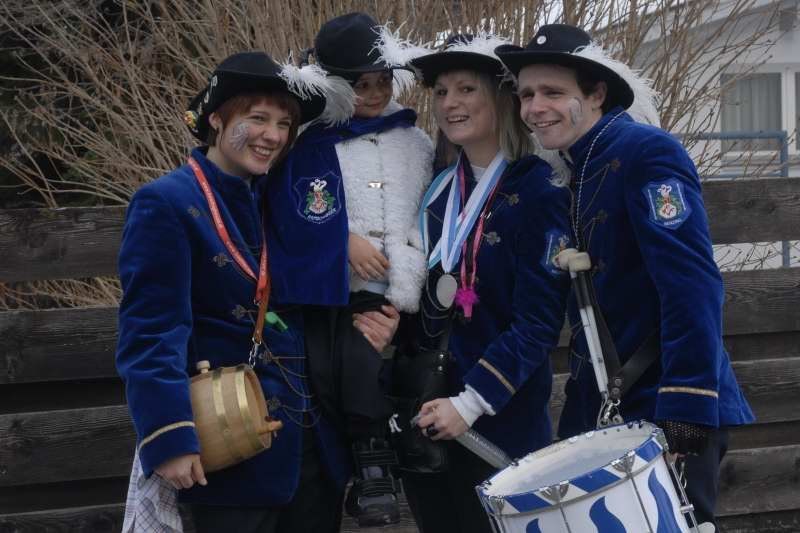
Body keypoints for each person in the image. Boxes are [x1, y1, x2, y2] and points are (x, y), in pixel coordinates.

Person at [116, 51, 398, 533]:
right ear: (216, 119)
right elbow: (151, 330)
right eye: (258, 118)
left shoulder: (281, 198)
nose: (273, 135)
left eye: (284, 124)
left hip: (311, 448)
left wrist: (373, 325)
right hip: (228, 450)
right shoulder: (166, 203)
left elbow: (313, 303)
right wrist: (169, 437)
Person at [497, 23, 755, 528]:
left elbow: (691, 284)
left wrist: (685, 405)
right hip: (604, 411)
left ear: (596, 94)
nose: (535, 108)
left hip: (665, 404)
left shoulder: (645, 152)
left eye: (553, 92)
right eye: (527, 95)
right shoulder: (575, 167)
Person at [264, 12, 433, 528]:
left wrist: (407, 260)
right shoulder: (311, 144)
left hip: (395, 284)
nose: (376, 93)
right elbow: (291, 212)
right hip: (327, 286)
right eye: (361, 85)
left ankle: (376, 460)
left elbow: (428, 208)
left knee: (363, 352)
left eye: (383, 81)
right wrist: (340, 243)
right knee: (334, 362)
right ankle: (365, 460)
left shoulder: (416, 143)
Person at [400, 33, 571, 533]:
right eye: (440, 92)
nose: (449, 103)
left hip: (498, 420)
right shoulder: (437, 191)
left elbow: (538, 324)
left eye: (466, 89)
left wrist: (470, 403)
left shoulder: (539, 190)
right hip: (429, 414)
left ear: (502, 97)